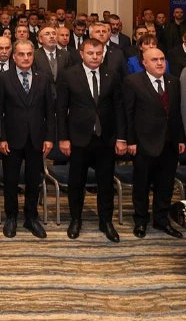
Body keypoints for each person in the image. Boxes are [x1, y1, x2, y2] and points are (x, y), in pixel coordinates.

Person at [57, 38, 127, 242]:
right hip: (78, 138)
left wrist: (121, 137)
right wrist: (63, 138)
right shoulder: (68, 75)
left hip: (105, 138)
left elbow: (119, 108)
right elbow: (61, 109)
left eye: (98, 53)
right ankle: (75, 219)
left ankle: (106, 221)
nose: (95, 57)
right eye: (90, 53)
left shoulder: (111, 74)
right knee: (76, 182)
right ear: (81, 53)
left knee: (106, 183)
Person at [125, 48, 185, 239]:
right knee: (142, 184)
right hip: (144, 143)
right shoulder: (133, 82)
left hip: (169, 143)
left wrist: (180, 138)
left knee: (165, 184)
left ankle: (161, 219)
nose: (160, 63)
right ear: (144, 63)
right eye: (154, 60)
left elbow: (176, 113)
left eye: (162, 59)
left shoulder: (174, 82)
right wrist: (130, 141)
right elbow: (129, 114)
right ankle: (141, 220)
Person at [0, 40, 54, 239]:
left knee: (33, 180)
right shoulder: (4, 78)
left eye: (29, 54)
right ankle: (11, 217)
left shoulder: (43, 78)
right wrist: (1, 137)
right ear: (14, 57)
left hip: (37, 138)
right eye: (21, 54)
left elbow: (50, 111)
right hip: (11, 139)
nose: (26, 58)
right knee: (11, 180)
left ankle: (31, 217)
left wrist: (49, 138)